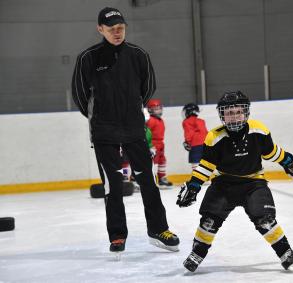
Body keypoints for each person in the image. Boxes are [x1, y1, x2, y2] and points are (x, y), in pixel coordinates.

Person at [72, 7, 179, 254]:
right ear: (100, 29)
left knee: (148, 181)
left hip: (133, 129)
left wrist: (131, 109)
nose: (117, 33)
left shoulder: (138, 55)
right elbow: (80, 94)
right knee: (113, 186)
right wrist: (100, 117)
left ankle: (158, 230)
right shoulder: (88, 58)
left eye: (120, 28)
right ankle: (118, 235)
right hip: (104, 132)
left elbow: (148, 87)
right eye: (111, 29)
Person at [176, 91, 293, 272]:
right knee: (208, 221)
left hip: (254, 184)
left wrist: (287, 160)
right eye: (229, 113)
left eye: (238, 112)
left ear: (246, 112)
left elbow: (271, 152)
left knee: (265, 220)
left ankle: (286, 253)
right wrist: (194, 186)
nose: (234, 117)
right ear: (222, 116)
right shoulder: (214, 137)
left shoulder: (258, 130)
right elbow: (206, 166)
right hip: (223, 185)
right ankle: (197, 253)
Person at [146, 99, 173, 189]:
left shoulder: (160, 120)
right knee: (153, 163)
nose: (158, 110)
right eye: (155, 109)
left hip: (161, 144)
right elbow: (147, 133)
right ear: (150, 110)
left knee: (162, 161)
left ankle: (162, 179)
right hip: (153, 144)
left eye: (159, 108)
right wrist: (149, 145)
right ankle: (151, 180)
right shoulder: (151, 120)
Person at [181, 103, 208, 170]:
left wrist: (187, 142)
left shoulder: (186, 122)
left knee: (195, 161)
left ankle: (196, 178)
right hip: (205, 144)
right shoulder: (201, 121)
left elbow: (189, 133)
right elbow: (205, 132)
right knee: (204, 162)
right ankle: (205, 177)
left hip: (195, 145)